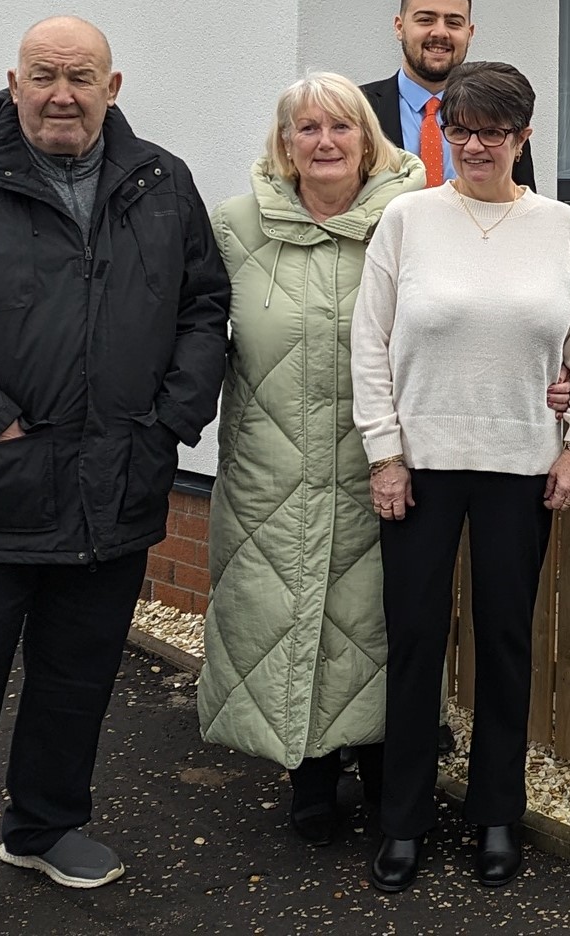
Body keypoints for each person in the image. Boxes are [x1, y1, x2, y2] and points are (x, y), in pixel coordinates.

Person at [0, 17, 228, 936]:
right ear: (13, 81)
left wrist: (169, 424)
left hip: (117, 486)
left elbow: (203, 308)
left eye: (81, 76)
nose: (61, 92)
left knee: (78, 676)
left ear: (114, 85)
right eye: (44, 74)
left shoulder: (161, 184)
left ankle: (47, 823)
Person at [351, 62, 570, 893]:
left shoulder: (560, 225)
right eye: (462, 128)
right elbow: (370, 342)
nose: (476, 144)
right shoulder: (408, 219)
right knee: (416, 640)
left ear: (523, 138)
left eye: (494, 131)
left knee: (503, 641)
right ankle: (403, 819)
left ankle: (496, 812)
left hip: (519, 466)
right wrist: (384, 454)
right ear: (446, 132)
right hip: (420, 467)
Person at [196, 76, 423, 843]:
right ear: (284, 144)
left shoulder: (415, 221)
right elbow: (193, 333)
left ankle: (387, 765)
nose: (324, 141)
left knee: (377, 621)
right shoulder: (235, 226)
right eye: (307, 128)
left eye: (341, 127)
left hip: (384, 462)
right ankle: (311, 775)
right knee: (287, 616)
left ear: (369, 139)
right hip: (273, 466)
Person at [360, 0, 535, 192]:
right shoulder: (358, 109)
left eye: (453, 23)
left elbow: (520, 201)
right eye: (425, 20)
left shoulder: (501, 113)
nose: (440, 32)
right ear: (399, 27)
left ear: (469, 34)